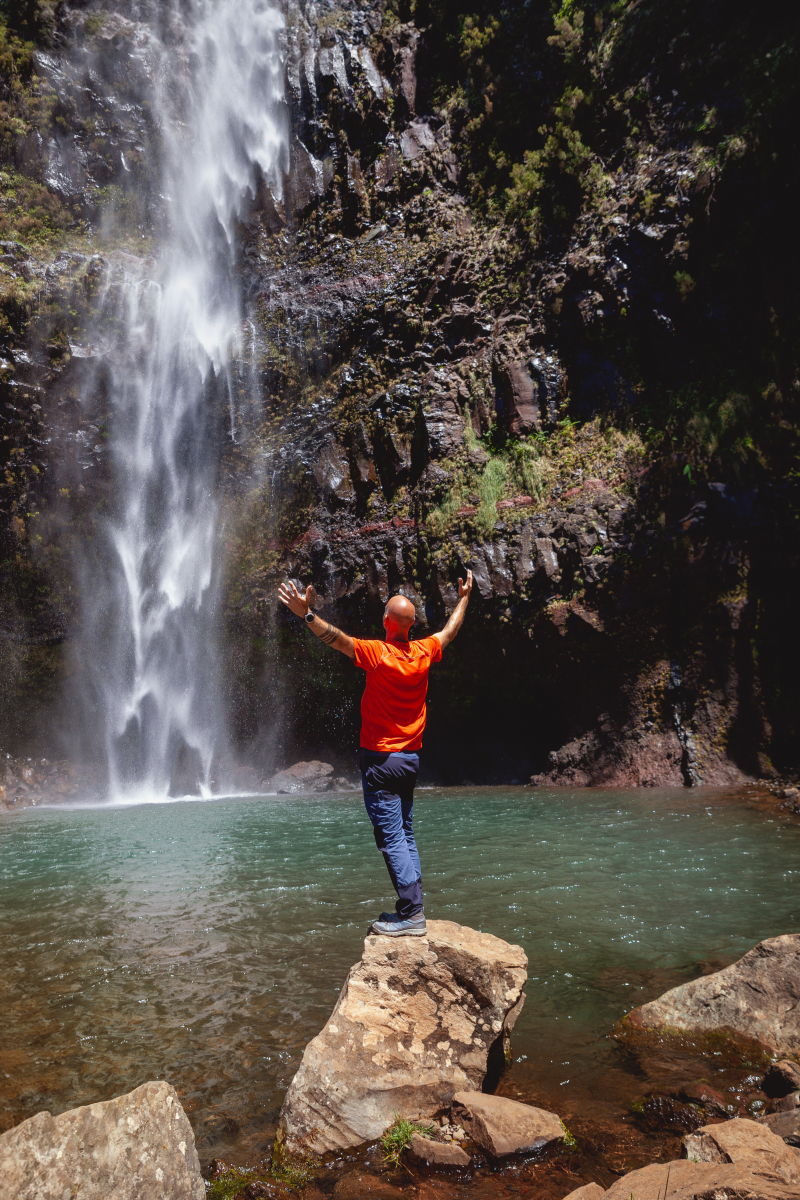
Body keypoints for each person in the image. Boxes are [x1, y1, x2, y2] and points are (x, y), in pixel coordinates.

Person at [277, 572, 473, 937]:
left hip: (381, 762)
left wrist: (305, 614)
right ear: (411, 626)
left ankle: (412, 915)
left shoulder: (378, 653)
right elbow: (450, 631)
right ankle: (413, 907)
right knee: (406, 833)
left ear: (386, 622)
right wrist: (463, 598)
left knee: (392, 837)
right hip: (410, 760)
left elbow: (336, 639)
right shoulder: (424, 651)